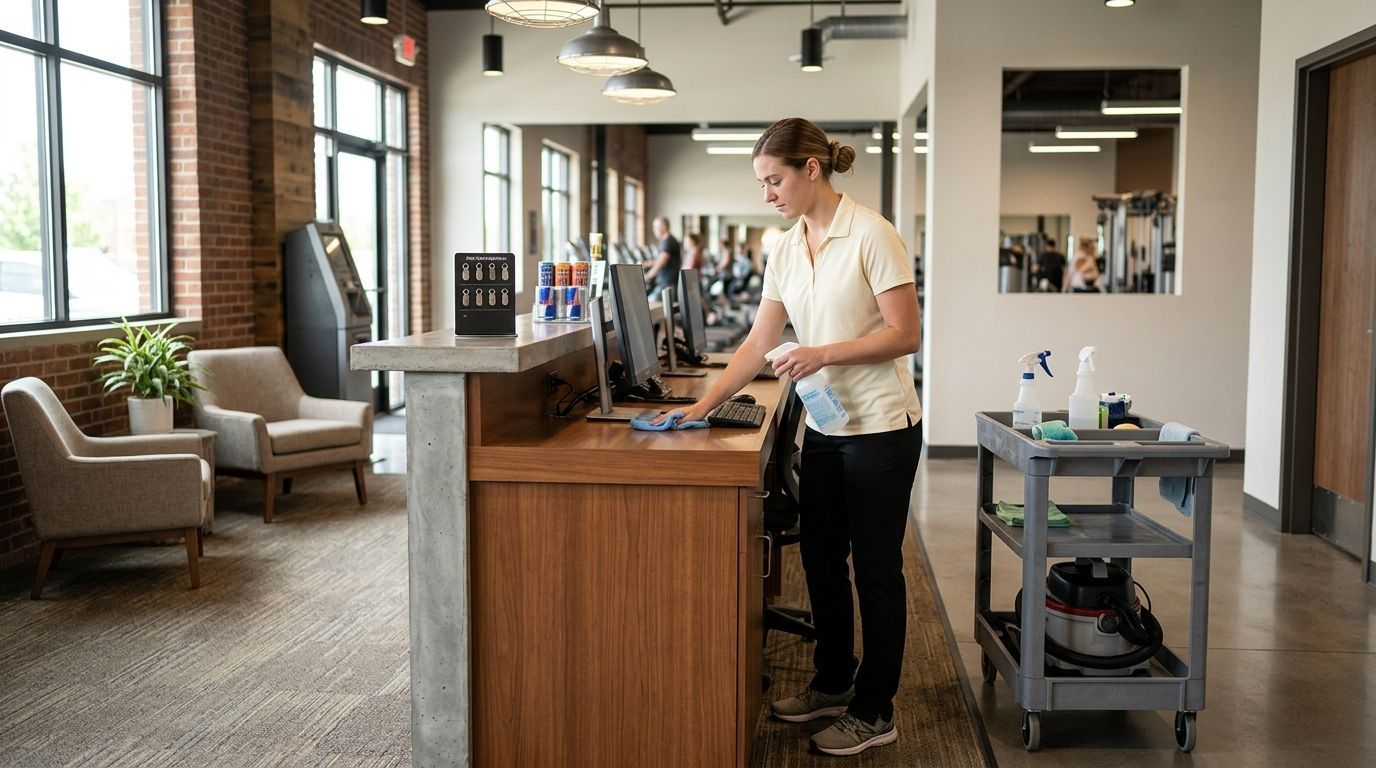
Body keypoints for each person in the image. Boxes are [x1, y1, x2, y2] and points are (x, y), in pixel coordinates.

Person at [652, 117, 923, 756]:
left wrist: (823, 352)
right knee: (821, 559)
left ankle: (875, 708)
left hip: (881, 429)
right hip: (826, 426)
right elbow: (758, 340)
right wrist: (702, 405)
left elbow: (906, 335)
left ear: (811, 169)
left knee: (875, 570)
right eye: (761, 183)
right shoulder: (785, 245)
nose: (766, 194)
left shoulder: (872, 235)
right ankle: (833, 683)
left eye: (774, 180)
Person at [644, 216, 682, 292]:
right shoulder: (668, 240)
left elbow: (661, 263)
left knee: (650, 300)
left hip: (667, 285)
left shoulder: (668, 241)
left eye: (655, 227)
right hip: (667, 283)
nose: (653, 230)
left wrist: (647, 277)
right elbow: (666, 260)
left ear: (663, 227)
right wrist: (650, 263)